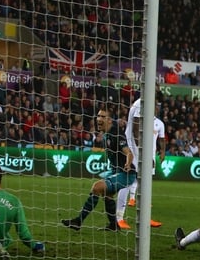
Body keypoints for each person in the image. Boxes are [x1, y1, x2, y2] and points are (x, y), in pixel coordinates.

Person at [61, 106, 136, 231]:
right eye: (98, 116)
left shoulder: (116, 133)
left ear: (110, 120)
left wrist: (128, 164)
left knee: (97, 187)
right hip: (116, 171)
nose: (99, 119)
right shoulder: (105, 134)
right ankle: (114, 226)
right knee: (107, 195)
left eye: (103, 116)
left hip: (126, 173)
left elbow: (129, 153)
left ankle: (78, 222)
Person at [116, 97, 163, 229]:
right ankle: (119, 218)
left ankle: (144, 218)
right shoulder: (140, 104)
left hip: (138, 146)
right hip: (132, 145)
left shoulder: (146, 103)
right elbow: (136, 131)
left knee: (143, 182)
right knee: (128, 179)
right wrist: (143, 154)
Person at [0, 164, 45, 260]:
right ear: (1, 178)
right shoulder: (14, 201)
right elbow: (24, 235)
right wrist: (36, 246)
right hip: (1, 244)